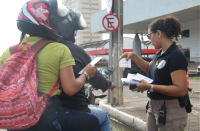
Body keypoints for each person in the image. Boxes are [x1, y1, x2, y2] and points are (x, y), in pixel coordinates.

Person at [2, 0, 101, 131]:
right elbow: (70, 89)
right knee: (93, 121)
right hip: (47, 118)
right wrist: (85, 73)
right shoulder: (60, 49)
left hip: (16, 119)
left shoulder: (9, 51)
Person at [119, 15, 188, 131]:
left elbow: (181, 89)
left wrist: (150, 86)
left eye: (149, 35)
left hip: (171, 108)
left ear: (159, 34)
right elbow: (150, 68)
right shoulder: (160, 53)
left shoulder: (175, 56)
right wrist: (134, 56)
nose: (149, 39)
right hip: (154, 105)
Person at [55, 6, 115, 131]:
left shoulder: (46, 49)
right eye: (74, 31)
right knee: (103, 116)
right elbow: (95, 77)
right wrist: (109, 84)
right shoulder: (74, 50)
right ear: (69, 30)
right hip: (76, 110)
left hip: (51, 112)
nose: (75, 35)